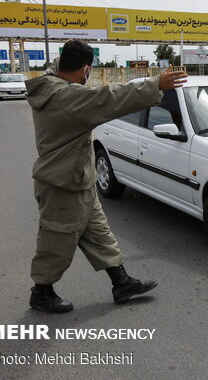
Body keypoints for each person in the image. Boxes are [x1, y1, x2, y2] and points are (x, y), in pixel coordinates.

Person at [25, 40, 187, 313]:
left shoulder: (54, 80)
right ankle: (41, 291)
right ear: (86, 69)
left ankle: (121, 282)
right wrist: (156, 84)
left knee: (100, 232)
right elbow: (110, 97)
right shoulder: (65, 97)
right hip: (61, 183)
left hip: (78, 178)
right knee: (58, 238)